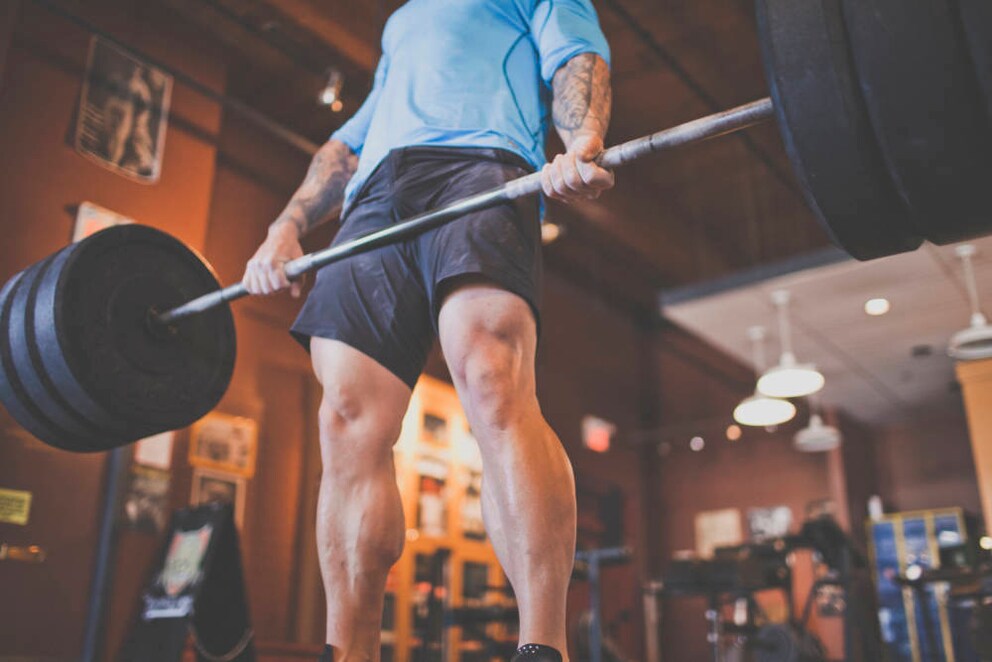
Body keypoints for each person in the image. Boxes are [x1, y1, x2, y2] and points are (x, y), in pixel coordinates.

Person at [242, 2, 613, 660]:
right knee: (345, 417)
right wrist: (286, 225)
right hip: (377, 198)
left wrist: (581, 138)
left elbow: (574, 58)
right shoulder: (402, 22)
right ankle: (349, 651)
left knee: (489, 374)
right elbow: (349, 141)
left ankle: (542, 647)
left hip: (480, 162)